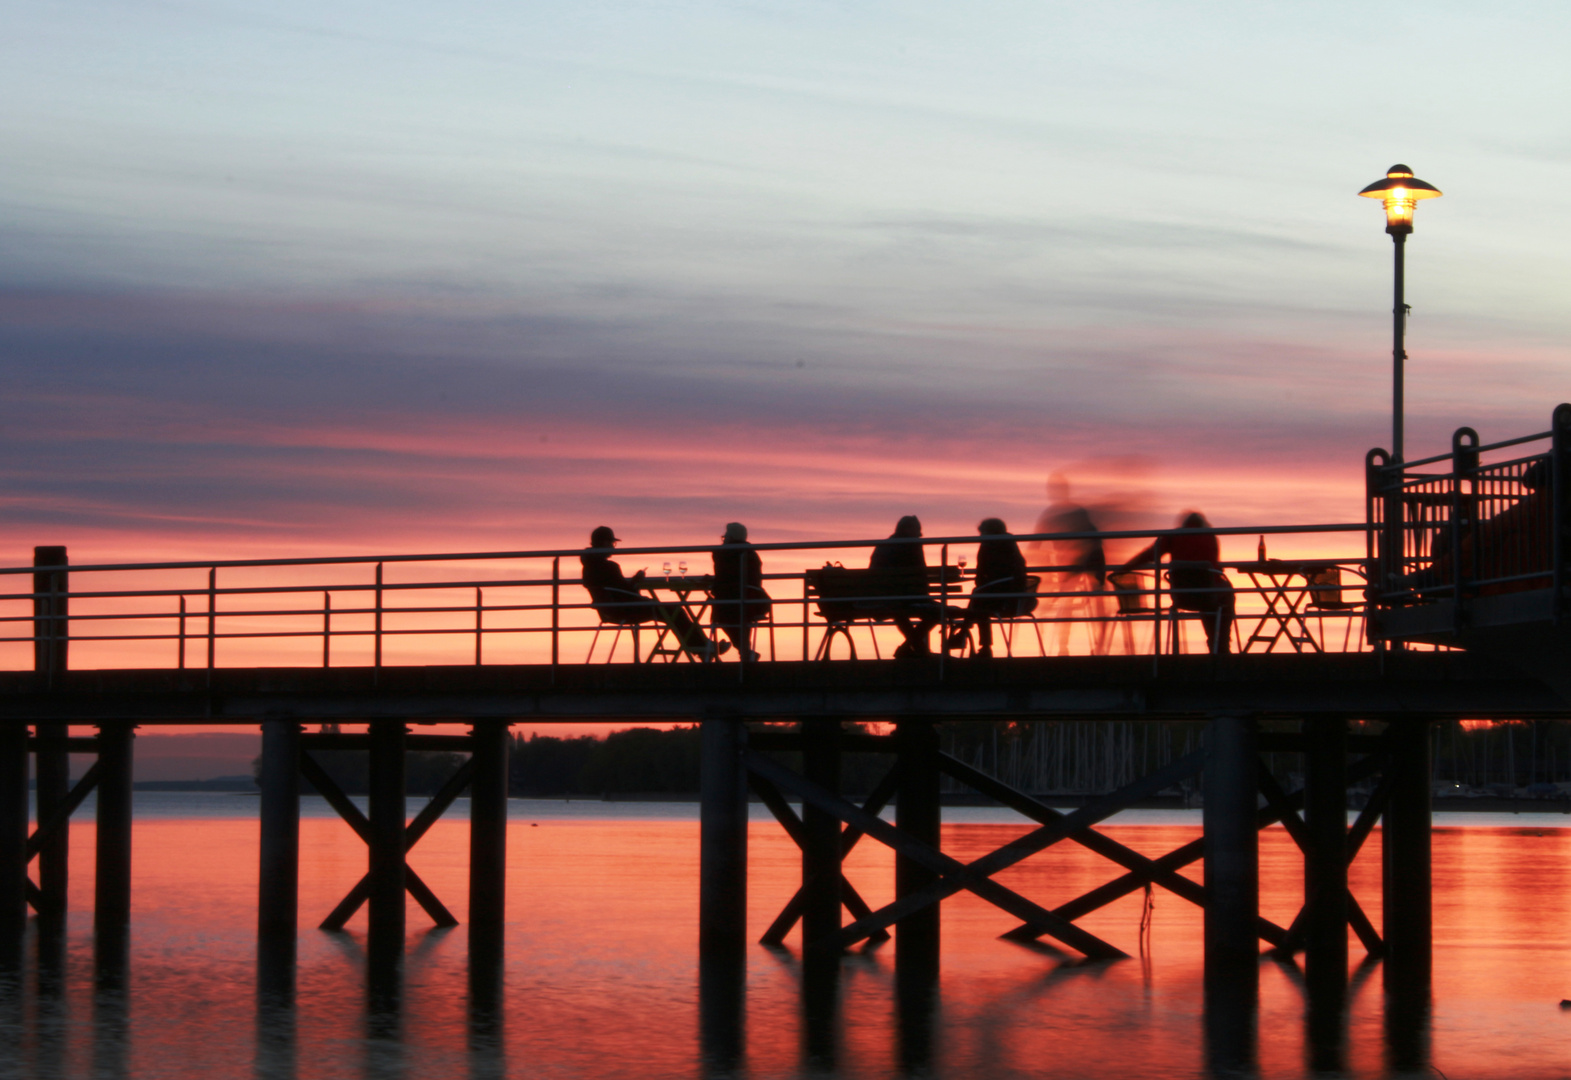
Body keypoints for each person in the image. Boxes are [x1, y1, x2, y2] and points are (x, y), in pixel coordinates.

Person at [580, 526, 728, 660]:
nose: (613, 547)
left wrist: (633, 585)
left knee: (672, 611)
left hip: (611, 610)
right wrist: (636, 581)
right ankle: (704, 648)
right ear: (604, 543)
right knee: (675, 611)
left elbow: (618, 590)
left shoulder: (588, 568)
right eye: (612, 543)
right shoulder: (609, 567)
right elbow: (625, 592)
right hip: (625, 609)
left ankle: (704, 648)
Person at [1119, 511, 1235, 654]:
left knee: (1208, 596)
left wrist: (1125, 568)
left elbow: (1149, 555)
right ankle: (1220, 643)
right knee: (1224, 594)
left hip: (1181, 597)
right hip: (1206, 596)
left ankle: (1215, 643)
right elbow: (1215, 569)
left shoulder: (1173, 537)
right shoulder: (1210, 537)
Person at [945, 518, 1029, 658]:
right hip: (1017, 598)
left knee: (979, 602)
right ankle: (970, 637)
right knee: (978, 599)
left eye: (982, 533)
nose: (980, 537)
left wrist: (983, 585)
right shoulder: (1011, 544)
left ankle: (969, 636)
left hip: (1001, 599)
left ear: (988, 532)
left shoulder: (989, 545)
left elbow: (981, 575)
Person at [869, 515, 944, 657]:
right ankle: (912, 649)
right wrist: (925, 597)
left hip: (881, 598)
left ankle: (914, 649)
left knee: (900, 613)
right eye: (918, 530)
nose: (920, 534)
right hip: (905, 596)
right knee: (937, 612)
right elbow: (920, 573)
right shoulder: (912, 545)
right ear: (909, 529)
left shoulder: (884, 545)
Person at [711, 522, 771, 661]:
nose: (724, 539)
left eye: (725, 537)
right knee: (737, 616)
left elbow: (724, 577)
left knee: (723, 615)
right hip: (752, 600)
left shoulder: (723, 554)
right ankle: (745, 652)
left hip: (731, 600)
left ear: (730, 537)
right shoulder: (751, 553)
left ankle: (745, 652)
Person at [1035, 473, 1106, 589]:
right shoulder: (1071, 512)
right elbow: (1036, 543)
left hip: (1076, 563)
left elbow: (1035, 543)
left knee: (1070, 588)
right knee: (1090, 587)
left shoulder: (1052, 515)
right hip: (1078, 563)